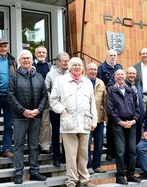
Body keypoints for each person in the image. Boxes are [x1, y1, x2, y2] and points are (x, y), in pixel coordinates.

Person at [50, 57, 97, 187]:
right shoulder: (60, 81)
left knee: (84, 154)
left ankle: (84, 180)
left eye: (80, 65)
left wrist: (94, 120)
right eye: (74, 65)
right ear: (69, 67)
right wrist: (62, 110)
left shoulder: (87, 82)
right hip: (68, 123)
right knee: (71, 155)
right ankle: (72, 180)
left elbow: (92, 102)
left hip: (84, 122)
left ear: (82, 68)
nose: (77, 67)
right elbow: (53, 100)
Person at [7, 49, 48, 184]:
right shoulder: (14, 76)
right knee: (18, 145)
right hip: (20, 117)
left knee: (34, 145)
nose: (26, 60)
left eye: (28, 58)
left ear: (32, 60)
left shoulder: (39, 76)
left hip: (36, 117)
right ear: (19, 61)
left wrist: (38, 110)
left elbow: (44, 96)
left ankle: (34, 171)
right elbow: (10, 96)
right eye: (23, 58)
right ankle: (18, 172)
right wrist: (23, 111)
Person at [106, 69, 141, 185]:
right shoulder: (111, 90)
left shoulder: (131, 90)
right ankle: (120, 176)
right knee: (120, 151)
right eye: (118, 75)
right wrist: (120, 122)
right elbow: (110, 110)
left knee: (132, 150)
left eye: (122, 74)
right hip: (118, 125)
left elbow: (137, 109)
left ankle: (130, 174)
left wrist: (133, 121)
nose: (120, 76)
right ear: (115, 77)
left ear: (125, 76)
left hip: (131, 124)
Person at [97, 49, 123, 161]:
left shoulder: (119, 67)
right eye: (111, 55)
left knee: (117, 127)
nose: (113, 57)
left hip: (120, 101)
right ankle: (109, 152)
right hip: (108, 100)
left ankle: (117, 151)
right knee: (110, 128)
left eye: (114, 55)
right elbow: (99, 86)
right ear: (106, 56)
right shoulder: (101, 68)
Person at [45, 52, 69, 167]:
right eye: (64, 61)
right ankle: (56, 157)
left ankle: (66, 156)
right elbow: (46, 90)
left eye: (67, 61)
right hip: (54, 109)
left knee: (67, 132)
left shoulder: (70, 73)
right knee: (56, 132)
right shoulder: (51, 74)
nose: (66, 63)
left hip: (68, 109)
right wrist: (55, 102)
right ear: (58, 62)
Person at [86, 62, 107, 175]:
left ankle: (97, 165)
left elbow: (105, 100)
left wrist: (105, 116)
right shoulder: (83, 82)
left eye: (95, 69)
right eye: (91, 69)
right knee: (87, 143)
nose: (93, 71)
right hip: (87, 118)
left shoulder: (101, 83)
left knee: (99, 143)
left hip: (99, 118)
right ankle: (88, 165)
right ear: (87, 70)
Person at [33, 46, 52, 154]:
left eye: (43, 52)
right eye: (39, 52)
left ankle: (45, 145)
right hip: (32, 98)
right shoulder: (31, 66)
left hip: (45, 99)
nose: (41, 54)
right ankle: (34, 144)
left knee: (45, 123)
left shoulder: (50, 67)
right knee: (34, 122)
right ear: (35, 54)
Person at [125, 67, 145, 144]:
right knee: (130, 143)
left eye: (134, 73)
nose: (132, 75)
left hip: (139, 119)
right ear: (126, 74)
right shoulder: (124, 86)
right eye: (130, 73)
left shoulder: (137, 86)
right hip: (131, 119)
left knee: (137, 141)